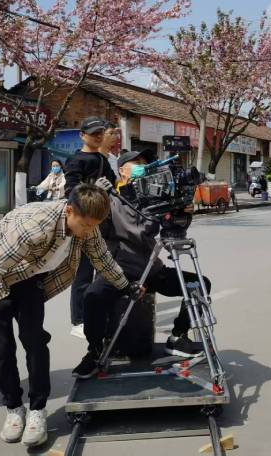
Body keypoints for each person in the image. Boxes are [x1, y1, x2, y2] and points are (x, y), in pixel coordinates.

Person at [0, 184, 142, 447]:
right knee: (0, 349)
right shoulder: (34, 227)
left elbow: (102, 258)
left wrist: (126, 286)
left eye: (95, 225)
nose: (89, 231)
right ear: (70, 210)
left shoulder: (87, 226)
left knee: (35, 341)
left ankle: (37, 410)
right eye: (85, 225)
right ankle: (14, 408)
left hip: (29, 278)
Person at [72, 150, 212, 379]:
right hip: (119, 269)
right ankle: (94, 350)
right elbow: (98, 232)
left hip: (150, 268)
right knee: (93, 297)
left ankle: (178, 336)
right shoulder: (109, 197)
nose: (141, 167)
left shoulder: (155, 196)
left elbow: (173, 231)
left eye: (145, 164)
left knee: (198, 284)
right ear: (121, 170)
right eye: (135, 163)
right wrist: (97, 199)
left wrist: (183, 212)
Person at [64, 116, 118, 339]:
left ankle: (96, 315)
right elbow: (70, 191)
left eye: (100, 133)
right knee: (83, 274)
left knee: (102, 272)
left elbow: (113, 184)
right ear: (82, 135)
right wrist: (91, 188)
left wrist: (108, 186)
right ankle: (78, 320)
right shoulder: (76, 160)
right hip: (84, 224)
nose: (97, 137)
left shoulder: (103, 160)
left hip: (103, 222)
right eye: (93, 133)